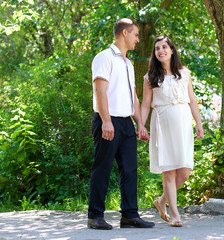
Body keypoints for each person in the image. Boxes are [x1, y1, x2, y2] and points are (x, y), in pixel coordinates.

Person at [87, 18, 155, 230]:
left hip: (126, 123)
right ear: (124, 33)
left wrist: (140, 124)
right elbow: (100, 90)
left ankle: (129, 215)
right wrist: (106, 121)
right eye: (135, 35)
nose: (137, 39)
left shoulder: (128, 63)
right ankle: (95, 216)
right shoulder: (103, 57)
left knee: (129, 170)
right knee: (103, 168)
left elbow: (132, 96)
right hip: (108, 121)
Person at [141, 36, 204, 227]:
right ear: (155, 54)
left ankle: (161, 201)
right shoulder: (150, 78)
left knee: (184, 172)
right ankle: (175, 215)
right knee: (168, 172)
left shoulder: (184, 74)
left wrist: (199, 123)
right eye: (157, 48)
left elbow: (192, 100)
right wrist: (141, 126)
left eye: (164, 47)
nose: (161, 50)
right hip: (162, 126)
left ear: (171, 50)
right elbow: (145, 105)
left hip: (184, 125)